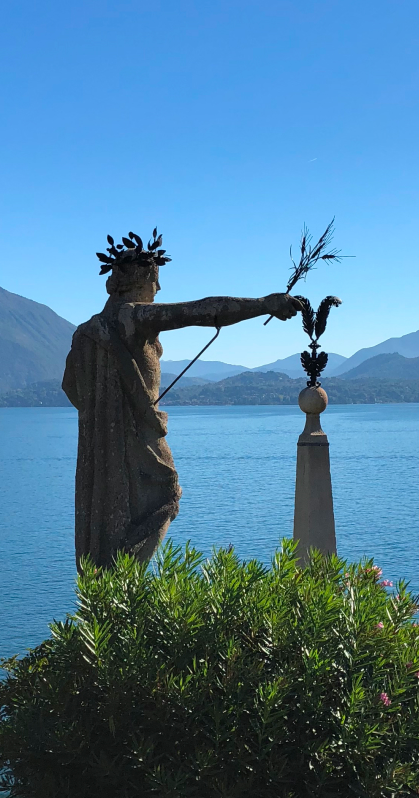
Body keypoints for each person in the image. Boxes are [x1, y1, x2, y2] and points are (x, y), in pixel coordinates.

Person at [62, 229, 299, 568]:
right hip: (137, 438)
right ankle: (127, 580)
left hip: (100, 446)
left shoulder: (85, 334)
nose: (158, 292)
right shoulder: (132, 318)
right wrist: (262, 304)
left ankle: (112, 580)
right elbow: (200, 311)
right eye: (155, 284)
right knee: (168, 494)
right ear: (141, 282)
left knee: (118, 512)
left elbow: (72, 388)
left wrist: (108, 410)